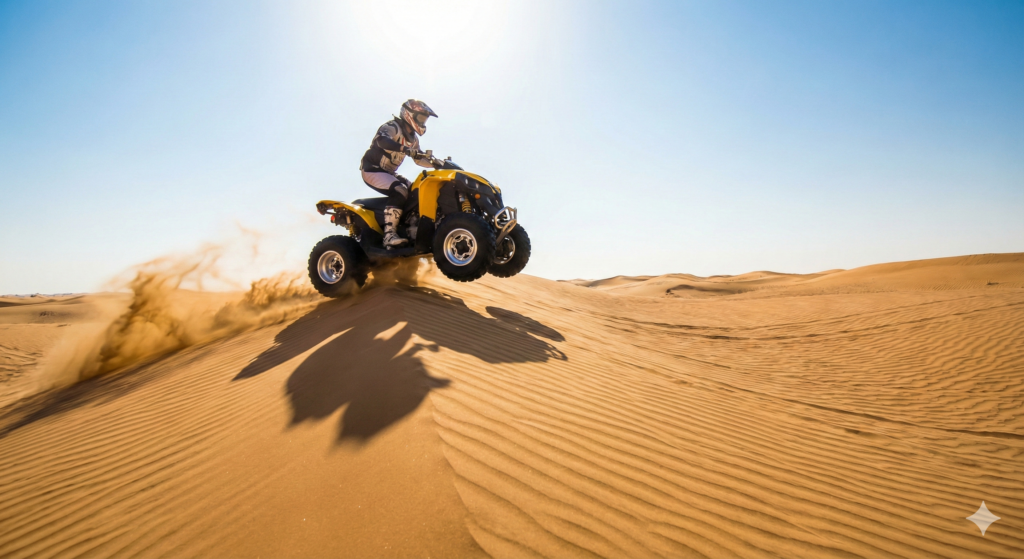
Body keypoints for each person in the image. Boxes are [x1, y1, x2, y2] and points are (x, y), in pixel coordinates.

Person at [359, 99, 438, 248]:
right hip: (372, 169)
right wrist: (404, 149)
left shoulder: (413, 139)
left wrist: (437, 164)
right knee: (400, 190)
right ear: (409, 115)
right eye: (421, 118)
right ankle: (389, 235)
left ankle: (408, 228)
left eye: (424, 119)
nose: (423, 123)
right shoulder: (392, 127)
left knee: (417, 190)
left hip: (388, 172)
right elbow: (381, 141)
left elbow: (418, 159)